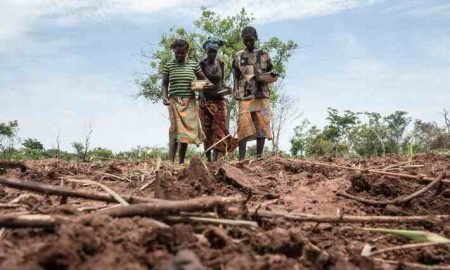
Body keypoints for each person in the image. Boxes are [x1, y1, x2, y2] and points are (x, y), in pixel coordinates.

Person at [232, 26, 278, 160]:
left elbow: (270, 71)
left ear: (256, 39)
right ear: (243, 40)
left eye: (251, 40)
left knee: (262, 125)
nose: (248, 43)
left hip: (261, 94)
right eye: (246, 40)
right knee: (243, 126)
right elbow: (235, 75)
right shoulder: (238, 56)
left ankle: (259, 157)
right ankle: (241, 159)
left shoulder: (264, 54)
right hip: (245, 95)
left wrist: (273, 74)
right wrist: (235, 90)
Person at [161, 39, 206, 164]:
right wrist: (164, 96)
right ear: (174, 52)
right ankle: (170, 161)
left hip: (190, 102)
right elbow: (164, 84)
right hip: (174, 101)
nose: (179, 55)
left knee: (185, 133)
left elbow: (202, 79)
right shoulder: (169, 65)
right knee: (174, 130)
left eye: (182, 53)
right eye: (177, 53)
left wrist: (201, 93)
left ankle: (181, 161)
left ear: (187, 52)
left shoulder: (193, 65)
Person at [199, 36, 238, 162]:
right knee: (206, 131)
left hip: (219, 100)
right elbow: (198, 83)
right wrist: (201, 97)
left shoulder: (220, 63)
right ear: (206, 50)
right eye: (210, 51)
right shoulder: (201, 65)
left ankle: (216, 160)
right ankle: (208, 159)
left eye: (214, 51)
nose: (212, 54)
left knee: (219, 130)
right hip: (206, 102)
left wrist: (228, 88)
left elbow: (221, 81)